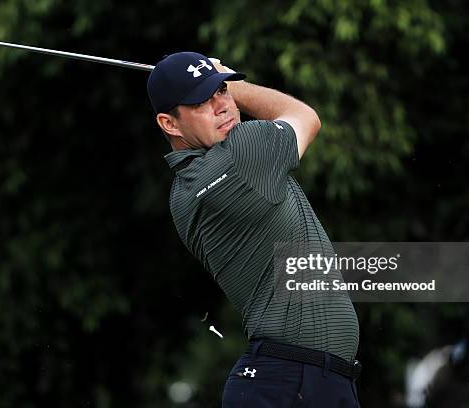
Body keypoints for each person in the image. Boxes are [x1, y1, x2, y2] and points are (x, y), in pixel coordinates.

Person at [147, 52, 362, 407]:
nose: (222, 106)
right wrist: (236, 84)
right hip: (290, 382)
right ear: (170, 124)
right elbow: (305, 117)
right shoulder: (242, 155)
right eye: (201, 101)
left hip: (298, 381)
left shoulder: (182, 191)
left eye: (221, 92)